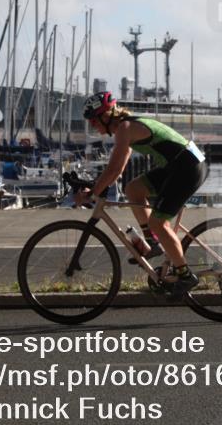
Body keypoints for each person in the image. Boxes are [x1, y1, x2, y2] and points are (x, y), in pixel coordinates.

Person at [74, 91, 207, 299]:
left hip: (188, 168)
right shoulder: (125, 129)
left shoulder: (126, 128)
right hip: (177, 166)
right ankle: (152, 243)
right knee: (133, 190)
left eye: (93, 121)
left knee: (158, 222)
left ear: (106, 116)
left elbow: (113, 170)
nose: (93, 126)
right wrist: (96, 187)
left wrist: (93, 193)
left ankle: (185, 275)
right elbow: (117, 169)